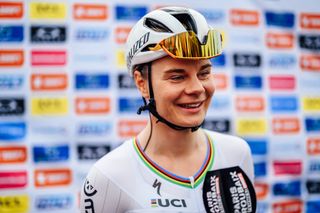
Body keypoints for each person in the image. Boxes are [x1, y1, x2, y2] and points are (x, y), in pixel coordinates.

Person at [80, 6, 256, 213]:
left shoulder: (237, 153)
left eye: (204, 73)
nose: (197, 89)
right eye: (177, 77)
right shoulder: (108, 176)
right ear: (142, 83)